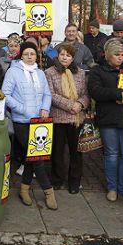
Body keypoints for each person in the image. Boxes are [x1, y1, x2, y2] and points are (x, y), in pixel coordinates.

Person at [88, 38, 123, 207]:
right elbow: (95, 91)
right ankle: (112, 188)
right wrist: (117, 94)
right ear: (108, 55)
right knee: (111, 154)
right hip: (108, 118)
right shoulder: (98, 71)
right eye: (116, 55)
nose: (120, 58)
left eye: (122, 54)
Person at [2, 42, 57, 210]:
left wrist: (45, 108)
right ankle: (48, 191)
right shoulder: (13, 72)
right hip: (21, 121)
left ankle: (24, 189)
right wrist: (22, 109)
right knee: (36, 156)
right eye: (26, 54)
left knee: (31, 157)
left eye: (32, 54)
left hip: (39, 122)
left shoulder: (40, 73)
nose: (29, 56)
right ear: (21, 55)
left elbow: (47, 93)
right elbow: (5, 94)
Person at [45, 44, 90, 194]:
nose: (65, 57)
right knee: (57, 151)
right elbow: (51, 95)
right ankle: (57, 179)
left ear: (73, 58)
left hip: (77, 117)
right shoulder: (49, 72)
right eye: (62, 54)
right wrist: (71, 105)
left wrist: (80, 104)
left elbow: (86, 94)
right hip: (58, 117)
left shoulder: (81, 73)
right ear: (58, 55)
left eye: (68, 55)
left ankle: (74, 182)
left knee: (76, 152)